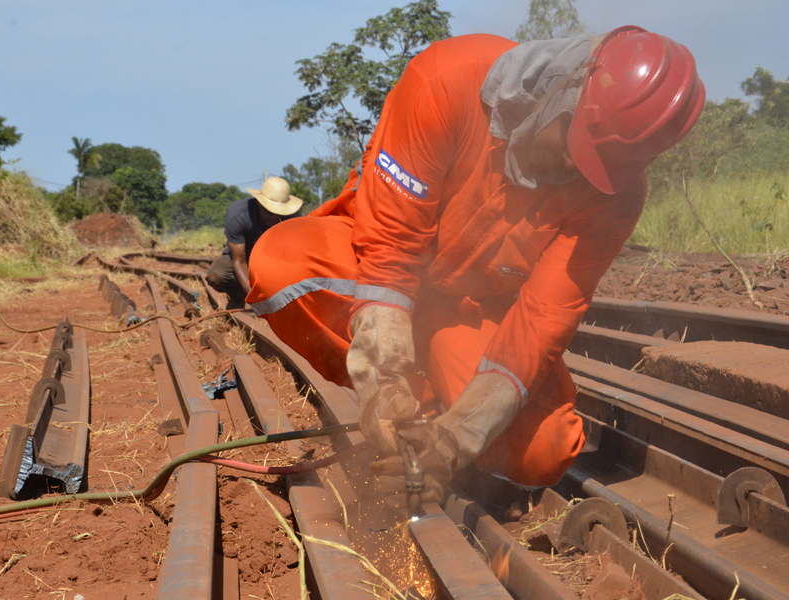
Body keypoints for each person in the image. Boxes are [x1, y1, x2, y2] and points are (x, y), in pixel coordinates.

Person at [245, 27, 705, 503]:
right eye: (576, 151)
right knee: (282, 264)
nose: (575, 173)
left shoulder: (615, 196)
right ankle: (410, 415)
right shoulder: (448, 79)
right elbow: (390, 252)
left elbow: (542, 321)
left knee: (545, 450)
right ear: (563, 90)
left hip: (466, 308)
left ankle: (433, 428)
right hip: (377, 268)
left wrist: (454, 438)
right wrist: (384, 386)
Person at [206, 177, 303, 308]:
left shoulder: (293, 217)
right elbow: (239, 261)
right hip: (244, 259)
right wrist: (258, 302)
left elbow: (295, 257)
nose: (274, 217)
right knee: (216, 275)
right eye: (269, 212)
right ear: (259, 203)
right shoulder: (239, 214)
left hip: (272, 260)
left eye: (278, 213)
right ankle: (237, 296)